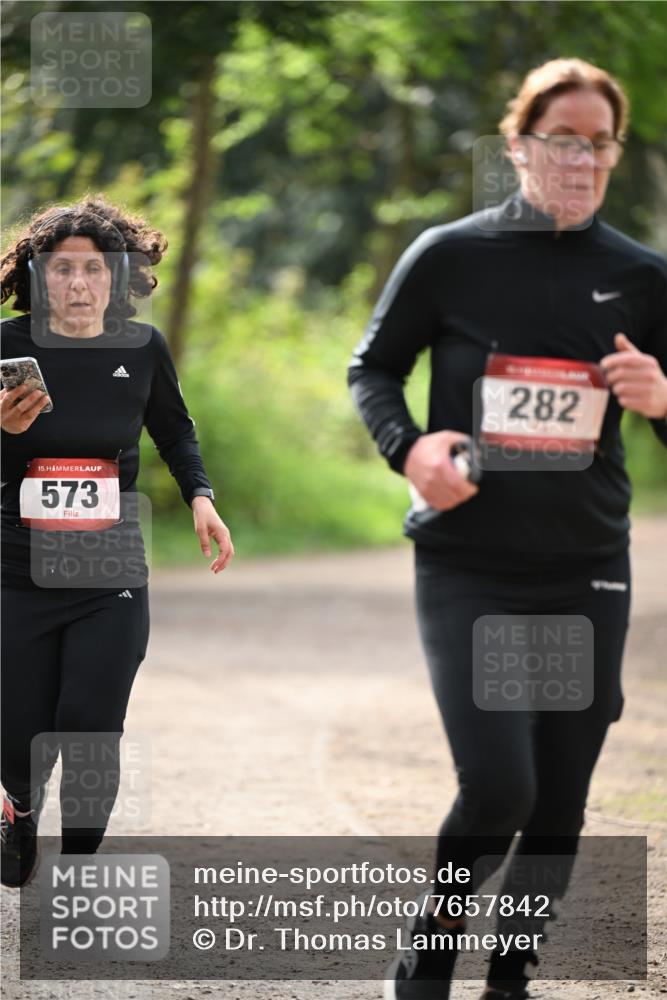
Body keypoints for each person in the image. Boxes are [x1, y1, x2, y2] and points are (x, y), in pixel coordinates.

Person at [348, 58, 667, 1000]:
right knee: (501, 787)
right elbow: (373, 370)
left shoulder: (642, 277)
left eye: (598, 142)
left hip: (586, 566)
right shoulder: (450, 254)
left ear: (614, 152)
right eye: (561, 139)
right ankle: (429, 957)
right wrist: (409, 451)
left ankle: (510, 977)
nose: (580, 159)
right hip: (469, 565)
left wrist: (662, 398)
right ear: (520, 143)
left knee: (561, 797)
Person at [0, 197, 234, 887]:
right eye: (62, 269)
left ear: (119, 276)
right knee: (19, 732)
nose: (77, 284)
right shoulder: (5, 347)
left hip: (109, 566)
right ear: (37, 277)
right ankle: (16, 804)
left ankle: (80, 869)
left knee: (91, 719)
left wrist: (201, 498)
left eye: (93, 270)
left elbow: (175, 430)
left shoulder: (142, 347)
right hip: (16, 569)